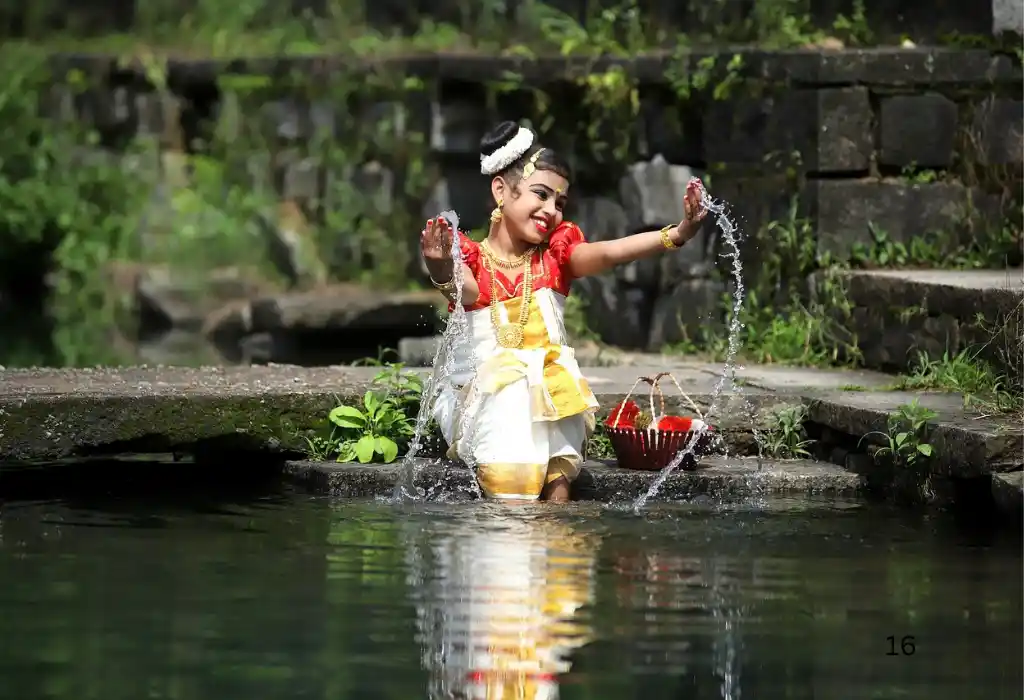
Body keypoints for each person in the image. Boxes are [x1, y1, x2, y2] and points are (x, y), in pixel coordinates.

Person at [421, 121, 708, 503]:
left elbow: (609, 251)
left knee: (558, 477)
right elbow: (461, 287)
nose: (551, 210)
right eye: (541, 195)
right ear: (501, 190)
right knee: (512, 443)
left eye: (560, 203)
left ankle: (558, 544)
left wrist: (678, 233)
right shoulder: (474, 260)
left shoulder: (556, 257)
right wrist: (440, 265)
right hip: (489, 405)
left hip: (555, 403)